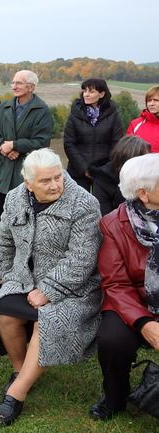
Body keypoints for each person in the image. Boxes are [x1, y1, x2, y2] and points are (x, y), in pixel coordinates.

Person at [0, 148, 102, 426]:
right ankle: (20, 370)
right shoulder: (15, 198)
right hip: (24, 276)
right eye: (45, 181)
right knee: (3, 311)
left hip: (74, 285)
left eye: (57, 178)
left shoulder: (84, 203)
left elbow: (82, 258)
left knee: (47, 318)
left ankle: (16, 393)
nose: (54, 185)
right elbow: (3, 239)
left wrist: (49, 290)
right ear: (28, 183)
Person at [90, 153, 159, 420]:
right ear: (143, 192)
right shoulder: (113, 224)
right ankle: (114, 396)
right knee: (112, 339)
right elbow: (116, 284)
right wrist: (144, 323)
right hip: (133, 302)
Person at [0, 70, 53, 230]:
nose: (14, 86)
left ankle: (22, 250)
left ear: (31, 87)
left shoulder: (42, 110)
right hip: (3, 170)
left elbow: (42, 141)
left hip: (26, 172)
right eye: (13, 83)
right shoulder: (4, 107)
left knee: (24, 214)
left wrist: (15, 145)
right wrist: (5, 148)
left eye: (19, 83)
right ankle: (0, 248)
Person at [63, 78, 124, 191]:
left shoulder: (113, 114)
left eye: (91, 91)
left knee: (103, 207)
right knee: (79, 207)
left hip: (105, 172)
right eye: (85, 91)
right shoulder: (75, 113)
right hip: (78, 171)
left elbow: (117, 143)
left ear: (101, 94)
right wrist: (84, 168)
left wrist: (106, 168)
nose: (86, 94)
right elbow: (69, 143)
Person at [90, 136, 150, 215]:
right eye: (143, 160)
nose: (148, 163)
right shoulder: (103, 179)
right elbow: (103, 215)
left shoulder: (149, 177)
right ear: (130, 161)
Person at [127, 85, 159, 153]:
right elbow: (128, 151)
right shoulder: (135, 124)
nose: (151, 104)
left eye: (156, 100)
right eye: (149, 101)